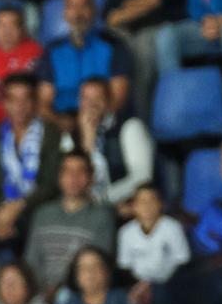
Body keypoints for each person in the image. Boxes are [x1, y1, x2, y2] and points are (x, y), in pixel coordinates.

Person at [0, 74, 57, 247]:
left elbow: (51, 183)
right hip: (1, 211)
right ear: (4, 103)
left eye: (25, 99)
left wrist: (17, 207)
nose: (19, 106)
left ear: (35, 102)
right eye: (13, 99)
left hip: (38, 209)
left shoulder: (51, 135)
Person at [59, 77, 155, 213]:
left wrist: (105, 199)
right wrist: (88, 142)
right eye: (86, 99)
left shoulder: (130, 126)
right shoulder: (72, 132)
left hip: (123, 206)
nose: (91, 105)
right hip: (83, 207)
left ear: (109, 102)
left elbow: (142, 176)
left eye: (97, 98)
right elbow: (69, 175)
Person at [25, 153, 117, 291]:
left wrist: (58, 291)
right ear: (59, 176)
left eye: (80, 171)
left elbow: (99, 269)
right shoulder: (42, 214)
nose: (73, 178)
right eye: (67, 171)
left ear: (91, 177)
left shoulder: (102, 216)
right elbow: (31, 261)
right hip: (38, 293)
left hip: (79, 293)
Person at [36, 0, 132, 118]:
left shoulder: (114, 46)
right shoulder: (52, 51)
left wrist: (92, 122)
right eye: (72, 6)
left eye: (84, 6)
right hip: (63, 120)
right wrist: (61, 122)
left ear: (94, 11)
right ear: (65, 13)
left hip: (104, 118)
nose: (77, 13)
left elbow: (118, 99)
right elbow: (44, 101)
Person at [116, 183, 191, 304]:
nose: (147, 206)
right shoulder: (125, 232)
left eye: (152, 200)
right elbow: (125, 267)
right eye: (142, 201)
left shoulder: (173, 227)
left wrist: (154, 286)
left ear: (160, 204)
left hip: (168, 286)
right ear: (134, 206)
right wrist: (140, 287)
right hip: (137, 286)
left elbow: (183, 262)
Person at [0, 3, 45, 126]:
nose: (7, 31)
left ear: (22, 29)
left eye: (13, 25)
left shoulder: (36, 53)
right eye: (1, 25)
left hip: (26, 124)